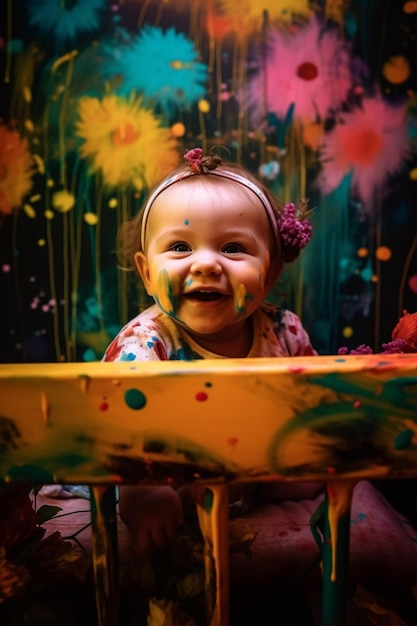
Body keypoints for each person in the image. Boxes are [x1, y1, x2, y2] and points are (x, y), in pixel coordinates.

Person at [102, 146, 322, 557]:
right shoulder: (144, 346)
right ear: (148, 274)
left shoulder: (284, 332)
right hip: (166, 481)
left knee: (308, 475)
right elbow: (119, 433)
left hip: (247, 474)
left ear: (270, 271)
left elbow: (311, 402)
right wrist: (141, 493)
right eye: (181, 247)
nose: (205, 264)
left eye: (234, 248)